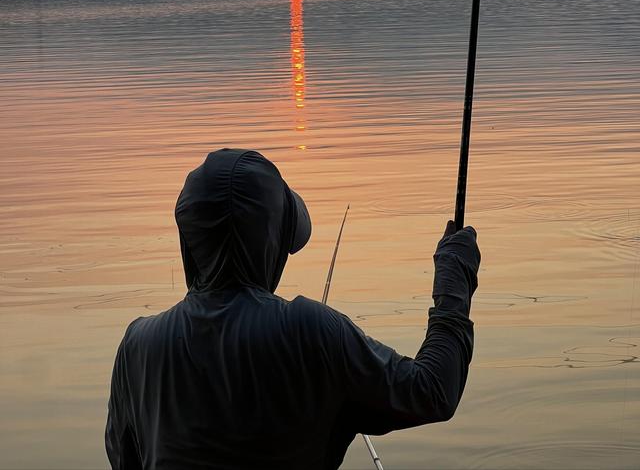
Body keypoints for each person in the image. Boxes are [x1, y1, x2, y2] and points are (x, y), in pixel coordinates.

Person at [106, 148, 480, 469]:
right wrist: (453, 286)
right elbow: (433, 391)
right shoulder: (311, 331)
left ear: (189, 241)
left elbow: (125, 460)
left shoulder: (137, 346)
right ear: (271, 241)